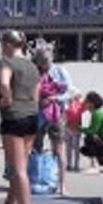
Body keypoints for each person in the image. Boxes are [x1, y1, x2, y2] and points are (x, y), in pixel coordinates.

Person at [0, 30, 41, 204]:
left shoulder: (7, 62)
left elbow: (5, 83)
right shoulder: (32, 65)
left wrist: (7, 99)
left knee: (18, 168)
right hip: (31, 116)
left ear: (8, 44)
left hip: (14, 116)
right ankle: (9, 202)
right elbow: (37, 91)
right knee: (18, 163)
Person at [33, 45, 73, 195]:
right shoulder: (34, 72)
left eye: (46, 60)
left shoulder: (59, 71)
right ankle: (36, 178)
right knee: (34, 147)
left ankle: (62, 184)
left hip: (56, 114)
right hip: (37, 113)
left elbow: (71, 91)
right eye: (41, 60)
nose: (44, 64)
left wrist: (54, 98)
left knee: (59, 149)